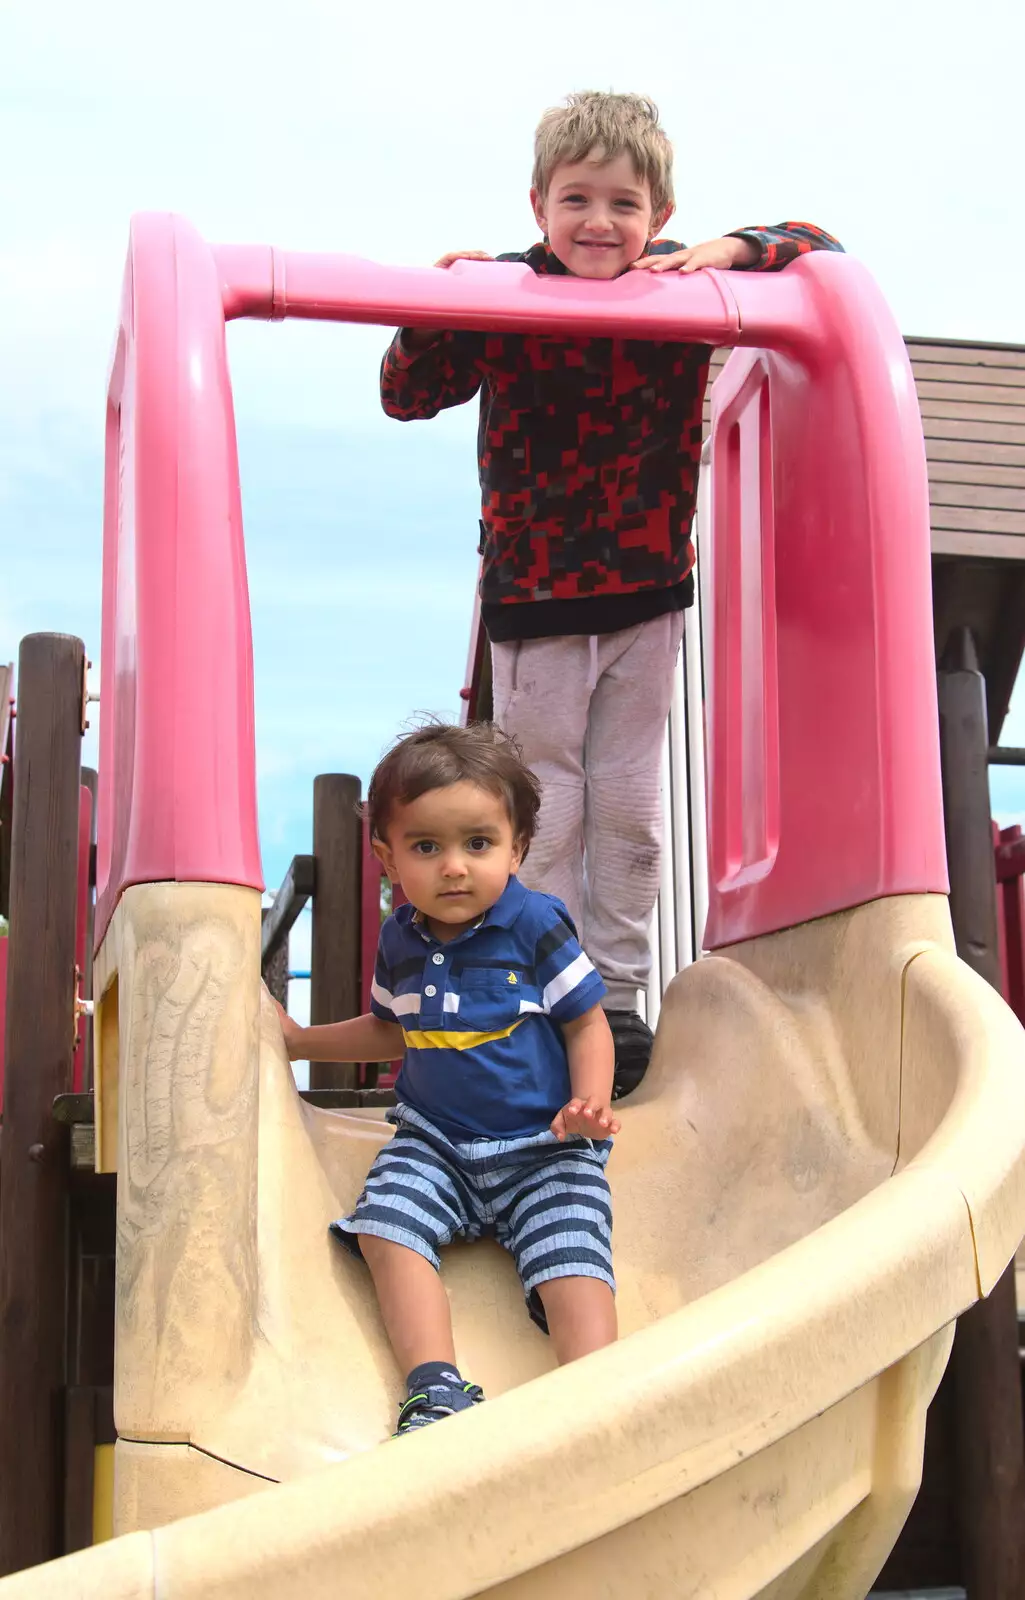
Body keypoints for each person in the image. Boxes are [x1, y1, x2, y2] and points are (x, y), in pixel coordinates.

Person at [379, 90, 843, 1094]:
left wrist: (732, 250)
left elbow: (819, 247)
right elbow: (404, 395)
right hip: (536, 597)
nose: (599, 222)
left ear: (658, 218)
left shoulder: (682, 296)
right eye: (576, 198)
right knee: (551, 804)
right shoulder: (506, 297)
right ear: (537, 204)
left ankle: (615, 997)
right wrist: (433, 310)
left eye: (624, 203)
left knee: (629, 809)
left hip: (645, 594)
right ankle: (545, 986)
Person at [275, 721, 620, 1436]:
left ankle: (598, 1398)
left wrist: (589, 1103)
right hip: (435, 1143)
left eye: (478, 844)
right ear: (388, 857)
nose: (454, 867)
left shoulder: (535, 925)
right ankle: (433, 1387)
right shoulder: (401, 937)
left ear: (517, 849)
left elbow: (587, 1021)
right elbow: (390, 1027)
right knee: (385, 1228)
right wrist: (299, 1042)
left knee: (571, 1248)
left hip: (543, 1145)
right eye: (426, 847)